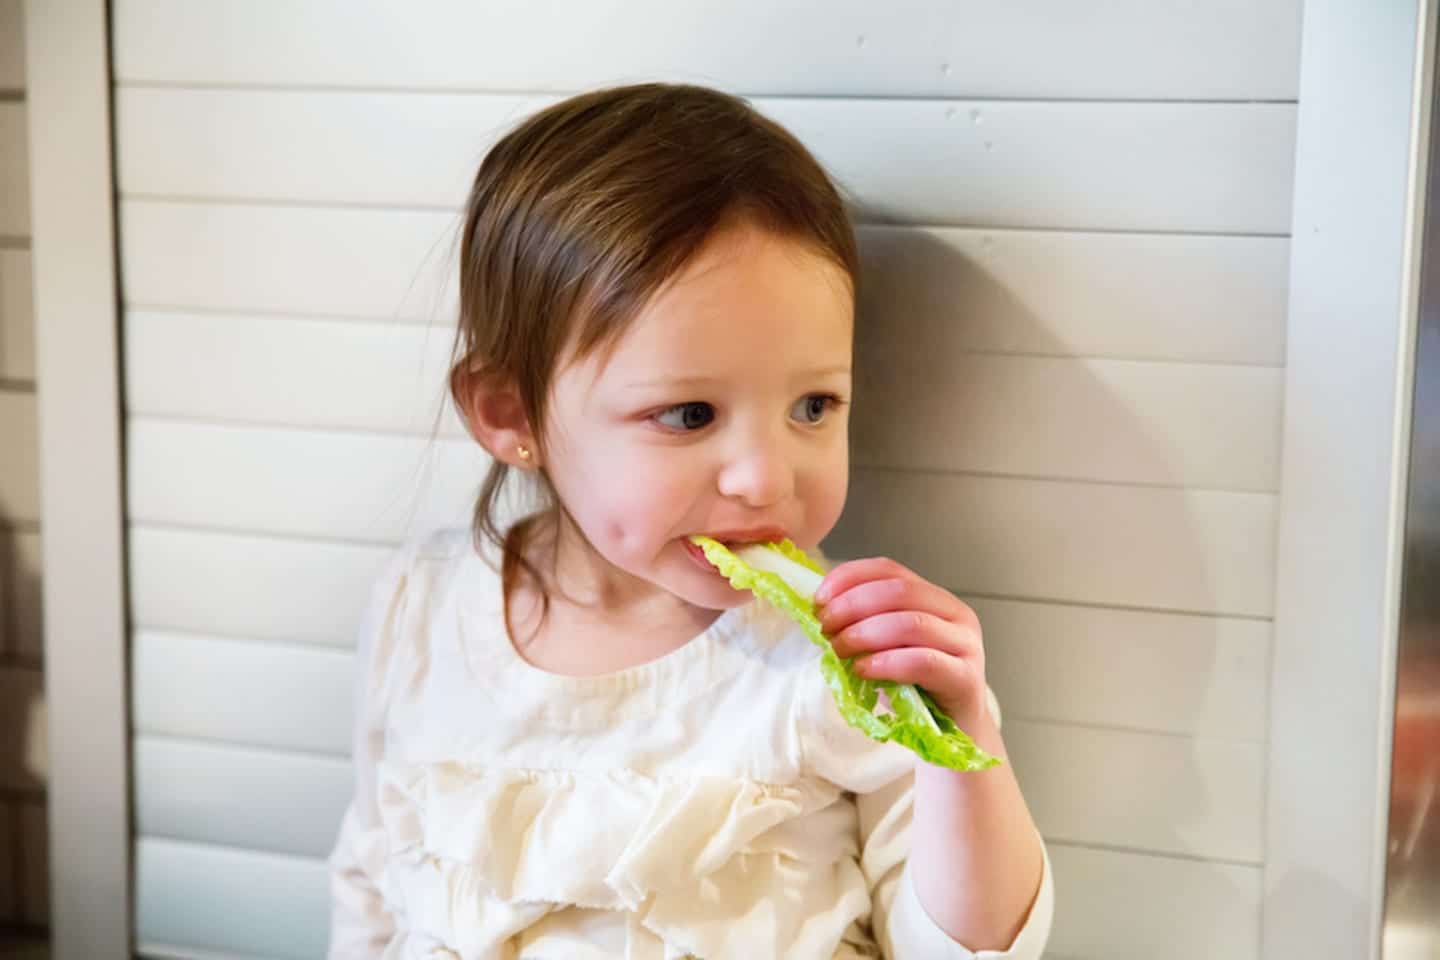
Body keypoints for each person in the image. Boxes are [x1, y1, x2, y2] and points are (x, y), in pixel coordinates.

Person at [327, 82, 1053, 960]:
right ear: (510, 413)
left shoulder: (844, 661)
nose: (763, 478)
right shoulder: (424, 609)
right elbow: (371, 879)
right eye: (690, 415)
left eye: (814, 405)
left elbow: (964, 948)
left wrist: (959, 736)